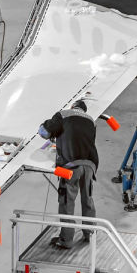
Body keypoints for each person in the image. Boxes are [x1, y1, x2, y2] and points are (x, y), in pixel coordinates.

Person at [39, 100, 100, 249]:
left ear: (73, 106)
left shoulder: (63, 114)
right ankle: (89, 234)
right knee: (87, 199)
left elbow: (44, 132)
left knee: (67, 201)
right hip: (90, 165)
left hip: (71, 165)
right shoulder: (91, 121)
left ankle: (66, 240)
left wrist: (48, 130)